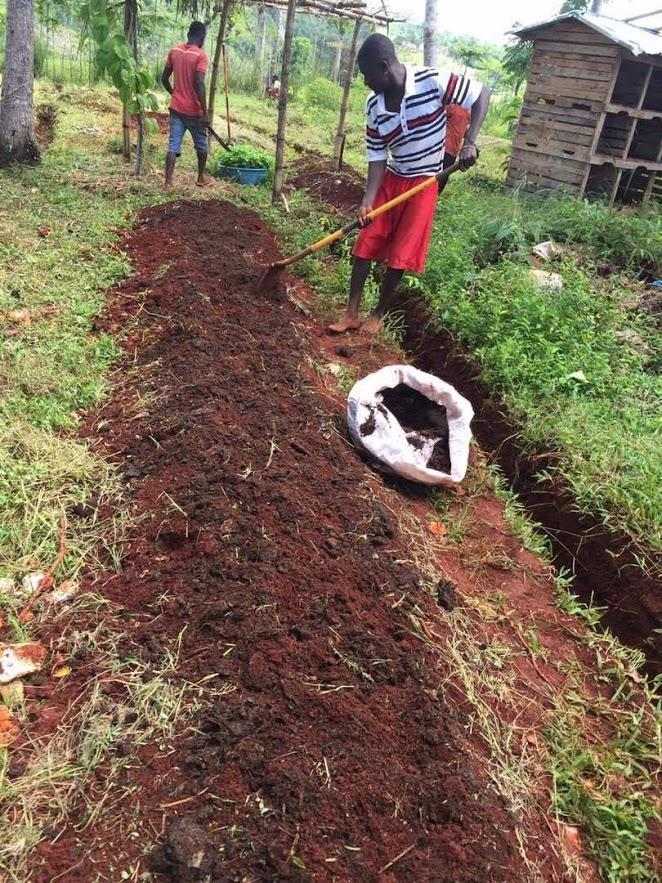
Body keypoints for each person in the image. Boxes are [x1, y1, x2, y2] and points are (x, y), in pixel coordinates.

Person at [328, 34, 490, 334]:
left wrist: (470, 143)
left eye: (367, 75)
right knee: (366, 242)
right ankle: (351, 313)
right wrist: (368, 199)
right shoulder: (373, 105)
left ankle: (377, 315)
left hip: (425, 182)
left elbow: (482, 93)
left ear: (385, 65)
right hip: (393, 177)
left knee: (402, 251)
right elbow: (377, 156)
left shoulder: (432, 80)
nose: (366, 82)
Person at [161, 21, 210, 190]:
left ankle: (168, 182)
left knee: (173, 146)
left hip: (176, 108)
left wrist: (174, 93)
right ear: (202, 36)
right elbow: (199, 82)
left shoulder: (174, 51)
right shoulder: (201, 55)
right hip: (194, 112)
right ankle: (201, 177)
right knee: (202, 146)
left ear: (189, 34)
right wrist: (205, 112)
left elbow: (164, 78)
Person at [439, 104, 470, 195]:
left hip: (453, 152)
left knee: (442, 182)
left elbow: (463, 127)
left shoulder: (468, 108)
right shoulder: (451, 105)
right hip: (442, 150)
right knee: (436, 181)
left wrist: (470, 145)